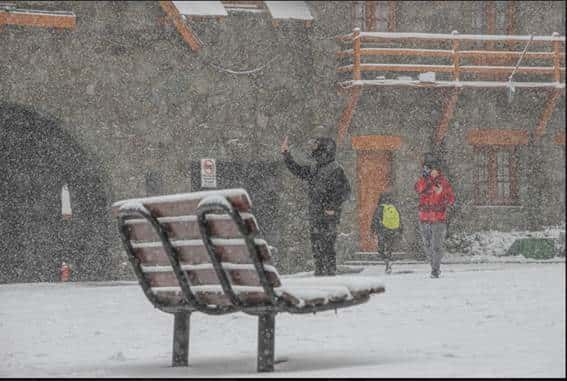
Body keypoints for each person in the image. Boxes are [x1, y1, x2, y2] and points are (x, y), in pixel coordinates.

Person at [280, 135, 351, 276]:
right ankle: (319, 272)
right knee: (316, 244)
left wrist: (331, 207)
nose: (313, 148)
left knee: (328, 244)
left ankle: (330, 272)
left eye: (316, 145)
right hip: (315, 213)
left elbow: (345, 191)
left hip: (328, 215)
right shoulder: (315, 167)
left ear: (324, 149)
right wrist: (286, 155)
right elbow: (298, 171)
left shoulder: (335, 169)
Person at [414, 156, 455, 278]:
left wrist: (441, 193)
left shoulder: (444, 183)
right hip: (424, 218)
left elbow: (451, 199)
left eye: (433, 169)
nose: (432, 171)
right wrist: (426, 181)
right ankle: (433, 266)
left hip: (438, 218)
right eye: (429, 169)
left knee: (436, 245)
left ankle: (435, 270)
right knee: (427, 245)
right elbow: (418, 189)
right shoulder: (422, 181)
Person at [370, 190, 403, 274]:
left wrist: (372, 230)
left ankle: (386, 261)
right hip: (393, 230)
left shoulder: (380, 208)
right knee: (389, 248)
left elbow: (375, 220)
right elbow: (400, 220)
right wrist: (400, 231)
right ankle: (388, 262)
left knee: (381, 250)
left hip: (382, 230)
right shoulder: (394, 208)